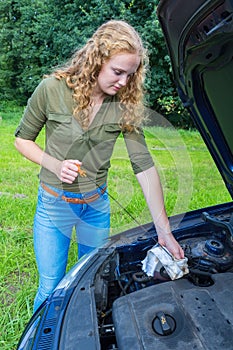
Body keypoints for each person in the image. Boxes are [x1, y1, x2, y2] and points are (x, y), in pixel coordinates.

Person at [14, 20, 184, 312]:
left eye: (130, 75)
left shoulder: (124, 104)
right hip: (55, 204)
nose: (123, 82)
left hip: (96, 206)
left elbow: (143, 165)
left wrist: (164, 230)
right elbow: (22, 140)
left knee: (90, 281)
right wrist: (55, 164)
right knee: (51, 285)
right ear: (96, 60)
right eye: (118, 72)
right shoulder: (51, 89)